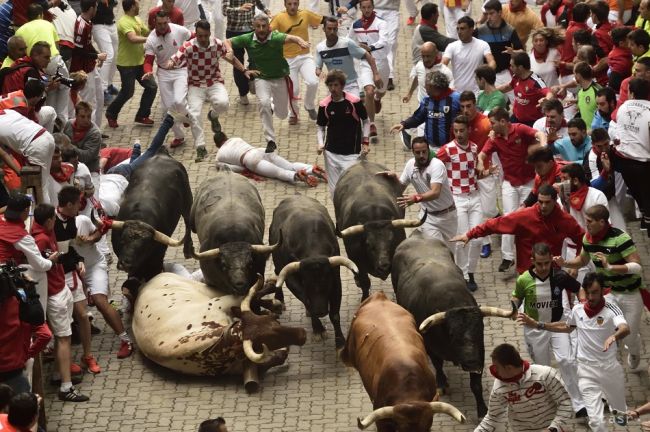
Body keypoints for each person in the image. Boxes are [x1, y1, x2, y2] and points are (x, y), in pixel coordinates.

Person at [520, 272, 630, 431]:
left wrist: (614, 336)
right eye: (589, 292)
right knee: (596, 423)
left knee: (620, 416)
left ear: (602, 291)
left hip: (609, 369)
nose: (591, 297)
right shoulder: (578, 310)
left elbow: (625, 328)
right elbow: (566, 327)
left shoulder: (612, 309)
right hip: (586, 371)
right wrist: (539, 325)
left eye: (595, 292)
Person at [556, 204, 644, 371]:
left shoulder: (620, 239)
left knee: (629, 336)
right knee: (605, 326)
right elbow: (582, 260)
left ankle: (633, 350)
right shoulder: (587, 239)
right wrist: (565, 262)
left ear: (602, 222)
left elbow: (637, 266)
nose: (586, 224)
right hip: (610, 293)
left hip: (630, 293)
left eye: (589, 221)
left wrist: (610, 267)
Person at [511, 243, 586, 416]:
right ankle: (549, 400)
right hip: (534, 329)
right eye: (540, 264)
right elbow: (517, 297)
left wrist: (582, 303)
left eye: (547, 263)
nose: (544, 267)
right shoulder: (524, 279)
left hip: (558, 325)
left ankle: (578, 403)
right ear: (532, 261)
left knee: (567, 361)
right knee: (543, 368)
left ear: (552, 259)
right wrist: (513, 308)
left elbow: (579, 288)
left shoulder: (560, 276)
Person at [452, 184, 584, 275]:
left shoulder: (565, 220)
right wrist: (470, 234)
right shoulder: (524, 216)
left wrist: (577, 263)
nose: (543, 206)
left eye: (547, 202)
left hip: (553, 272)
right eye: (540, 201)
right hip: (527, 274)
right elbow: (494, 224)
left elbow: (582, 239)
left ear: (555, 201)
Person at [226, 13, 309, 154]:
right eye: (258, 26)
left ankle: (271, 105)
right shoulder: (247, 38)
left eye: (264, 26)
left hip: (279, 77)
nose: (261, 29)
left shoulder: (276, 37)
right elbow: (227, 41)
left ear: (269, 27)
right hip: (261, 77)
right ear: (253, 27)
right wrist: (229, 50)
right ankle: (270, 140)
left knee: (282, 114)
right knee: (263, 103)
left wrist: (300, 41)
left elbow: (292, 38)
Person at [476, 107, 547, 272]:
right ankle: (507, 257)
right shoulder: (494, 139)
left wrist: (543, 146)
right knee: (509, 218)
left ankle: (532, 257)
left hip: (529, 182)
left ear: (503, 121)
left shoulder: (520, 129)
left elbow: (540, 135)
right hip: (509, 183)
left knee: (530, 220)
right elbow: (482, 154)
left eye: (492, 123)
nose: (490, 126)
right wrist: (480, 161)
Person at [474, 343, 573, 432]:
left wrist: (553, 428)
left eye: (497, 367)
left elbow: (566, 403)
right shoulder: (499, 388)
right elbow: (492, 418)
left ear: (509, 368)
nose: (494, 371)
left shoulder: (545, 375)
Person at [380, 137, 457, 244]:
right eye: (418, 152)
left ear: (428, 150)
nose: (421, 155)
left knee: (452, 253)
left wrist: (416, 198)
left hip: (448, 217)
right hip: (428, 217)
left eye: (424, 152)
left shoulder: (437, 165)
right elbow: (400, 188)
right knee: (435, 248)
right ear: (412, 152)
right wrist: (393, 179)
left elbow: (435, 192)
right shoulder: (410, 165)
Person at [437, 116, 484, 291]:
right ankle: (464, 274)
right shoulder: (447, 150)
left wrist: (485, 171)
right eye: (455, 131)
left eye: (462, 130)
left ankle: (471, 270)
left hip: (474, 196)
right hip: (457, 199)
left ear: (468, 130)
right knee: (462, 239)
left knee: (477, 239)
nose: (458, 134)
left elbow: (474, 172)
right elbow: (433, 164)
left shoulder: (474, 148)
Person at [14, 4, 71, 124]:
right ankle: (62, 119)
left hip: (34, 67)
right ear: (40, 15)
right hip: (54, 61)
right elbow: (56, 46)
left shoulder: (20, 30)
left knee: (47, 92)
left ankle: (52, 120)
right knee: (64, 86)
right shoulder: (48, 23)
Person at [105, 0, 158, 129]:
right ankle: (111, 114)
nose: (139, 6)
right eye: (138, 4)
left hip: (140, 62)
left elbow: (148, 32)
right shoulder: (124, 22)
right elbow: (133, 38)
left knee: (151, 87)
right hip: (126, 65)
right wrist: (150, 39)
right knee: (127, 92)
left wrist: (161, 30)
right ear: (133, 6)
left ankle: (142, 115)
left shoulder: (137, 19)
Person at [270, 0, 323, 125]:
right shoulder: (279, 18)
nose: (292, 7)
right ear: (285, 4)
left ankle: (309, 105)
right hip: (287, 59)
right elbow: (267, 33)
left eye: (295, 4)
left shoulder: (305, 14)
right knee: (293, 90)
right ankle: (294, 113)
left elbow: (322, 20)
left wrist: (338, 18)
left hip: (305, 56)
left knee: (313, 82)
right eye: (289, 4)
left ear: (299, 4)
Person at [316, 70, 369, 195]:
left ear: (342, 86)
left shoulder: (354, 102)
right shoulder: (324, 105)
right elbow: (320, 127)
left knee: (353, 188)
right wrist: (320, 143)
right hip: (331, 153)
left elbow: (366, 121)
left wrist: (365, 142)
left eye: (336, 85)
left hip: (352, 153)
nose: (333, 89)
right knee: (334, 191)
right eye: (330, 85)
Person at [610, 78, 650, 234]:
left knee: (637, 192)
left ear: (631, 93)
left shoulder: (623, 107)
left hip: (624, 160)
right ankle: (647, 222)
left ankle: (644, 220)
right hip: (643, 161)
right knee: (646, 193)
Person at [216, 133, 324, 187]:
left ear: (217, 145)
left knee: (279, 172)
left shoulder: (219, 155)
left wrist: (243, 169)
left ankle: (296, 176)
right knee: (289, 165)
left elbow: (228, 168)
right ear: (226, 137)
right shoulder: (235, 138)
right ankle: (311, 169)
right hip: (261, 150)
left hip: (249, 160)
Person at [348, 0, 389, 140]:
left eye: (369, 7)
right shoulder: (356, 25)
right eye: (364, 7)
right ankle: (371, 124)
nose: (367, 10)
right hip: (365, 62)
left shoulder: (381, 23)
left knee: (381, 91)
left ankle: (378, 98)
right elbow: (349, 42)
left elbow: (384, 41)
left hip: (381, 62)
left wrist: (370, 47)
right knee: (369, 92)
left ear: (373, 7)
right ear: (360, 8)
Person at [315, 16, 382, 98]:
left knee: (354, 108)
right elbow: (318, 68)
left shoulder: (347, 43)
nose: (332, 32)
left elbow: (367, 55)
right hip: (334, 87)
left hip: (351, 85)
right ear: (324, 29)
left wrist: (376, 74)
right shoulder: (320, 48)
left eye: (335, 29)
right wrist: (320, 73)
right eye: (329, 29)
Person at [390, 71, 460, 150]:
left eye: (427, 85)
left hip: (451, 148)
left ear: (435, 87)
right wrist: (404, 124)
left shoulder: (456, 99)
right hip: (430, 148)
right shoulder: (426, 101)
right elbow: (418, 118)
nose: (425, 87)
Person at [0, 108, 56, 204]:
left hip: (35, 146)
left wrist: (18, 171)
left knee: (39, 190)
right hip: (46, 136)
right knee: (44, 185)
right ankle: (49, 214)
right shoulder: (8, 111)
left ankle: (44, 217)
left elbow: (4, 154)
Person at [222, 0, 271, 105]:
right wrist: (239, 9)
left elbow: (258, 2)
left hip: (251, 30)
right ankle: (243, 93)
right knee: (237, 63)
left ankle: (252, 78)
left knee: (256, 58)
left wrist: (266, 11)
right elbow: (224, 10)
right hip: (234, 31)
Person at [71, 0, 106, 129]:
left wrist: (97, 54)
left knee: (99, 98)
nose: (97, 9)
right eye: (96, 7)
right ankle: (86, 132)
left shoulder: (88, 22)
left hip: (91, 67)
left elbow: (88, 44)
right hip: (83, 70)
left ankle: (97, 130)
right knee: (88, 103)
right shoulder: (81, 25)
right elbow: (78, 50)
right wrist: (97, 56)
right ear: (91, 8)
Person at [583, 127, 626, 230]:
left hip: (610, 198)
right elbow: (593, 188)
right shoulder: (590, 159)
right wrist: (605, 172)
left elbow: (623, 168)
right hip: (594, 203)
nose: (603, 149)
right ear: (593, 145)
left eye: (606, 144)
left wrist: (621, 152)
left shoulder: (612, 149)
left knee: (621, 231)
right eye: (599, 146)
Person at [476, 0, 523, 90]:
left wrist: (513, 52)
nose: (489, 17)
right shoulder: (480, 31)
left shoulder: (510, 30)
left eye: (491, 13)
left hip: (506, 73)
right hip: (487, 76)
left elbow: (521, 51)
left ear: (500, 12)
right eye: (487, 14)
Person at [441, 16, 495, 94]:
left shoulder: (483, 44)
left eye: (462, 29)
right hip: (456, 93)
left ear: (471, 30)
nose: (459, 31)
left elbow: (492, 62)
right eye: (458, 29)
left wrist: (486, 73)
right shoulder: (451, 46)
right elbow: (443, 65)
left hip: (477, 94)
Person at [497, 52, 550, 127]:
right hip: (516, 118)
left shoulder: (535, 82)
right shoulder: (516, 77)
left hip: (532, 123)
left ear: (520, 67)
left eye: (512, 66)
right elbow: (508, 87)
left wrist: (547, 99)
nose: (510, 68)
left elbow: (549, 92)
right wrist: (491, 90)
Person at [92, 0, 120, 102]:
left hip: (111, 24)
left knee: (115, 55)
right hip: (99, 26)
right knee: (108, 55)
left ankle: (109, 84)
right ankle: (103, 90)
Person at [573, 62, 602, 129]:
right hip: (585, 134)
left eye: (574, 74)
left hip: (597, 133)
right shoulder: (580, 92)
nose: (574, 76)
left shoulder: (597, 90)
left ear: (578, 75)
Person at [608, 27, 632, 92]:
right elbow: (613, 83)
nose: (633, 40)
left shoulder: (617, 49)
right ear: (621, 43)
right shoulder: (621, 61)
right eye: (629, 39)